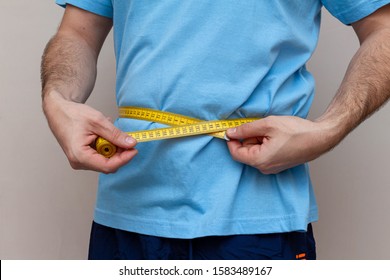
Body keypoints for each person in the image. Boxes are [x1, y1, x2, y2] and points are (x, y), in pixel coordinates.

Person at [41, 0, 390, 260]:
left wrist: (330, 128)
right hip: (127, 212)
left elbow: (384, 28)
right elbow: (77, 33)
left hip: (258, 219)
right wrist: (58, 100)